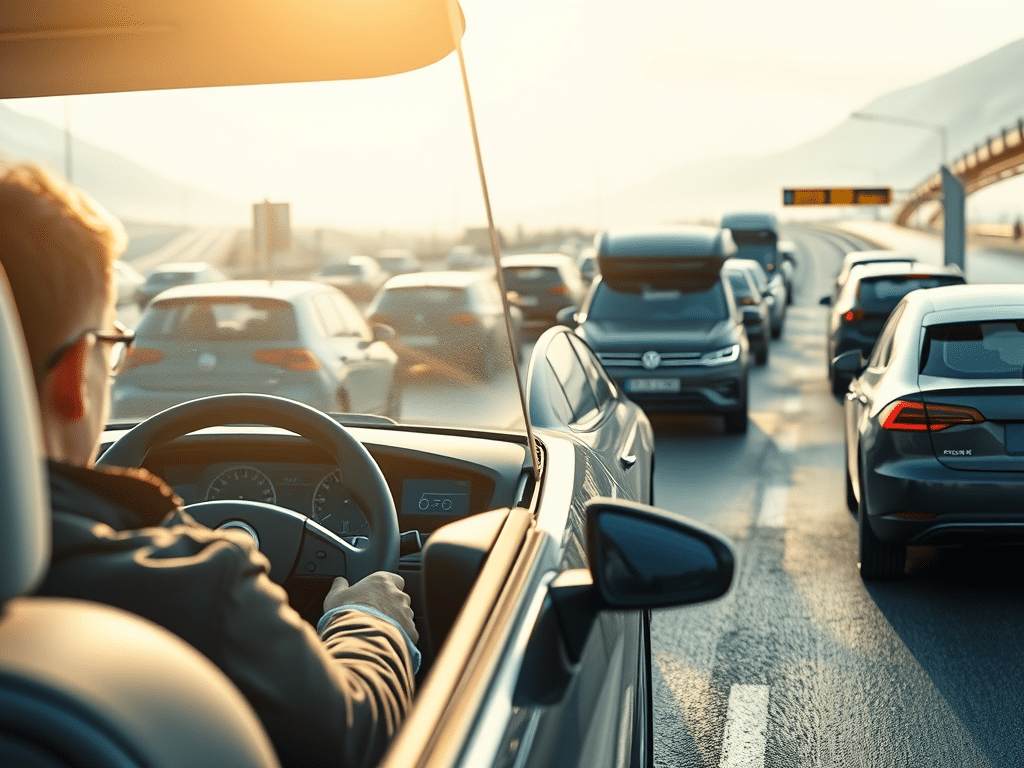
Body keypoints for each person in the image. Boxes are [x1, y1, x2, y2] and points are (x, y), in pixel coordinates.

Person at [0, 162, 419, 768]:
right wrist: (369, 619)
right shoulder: (198, 589)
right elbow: (351, 736)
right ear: (73, 378)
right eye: (111, 348)